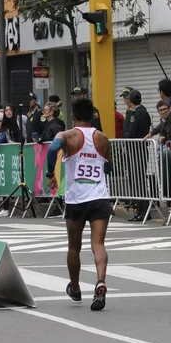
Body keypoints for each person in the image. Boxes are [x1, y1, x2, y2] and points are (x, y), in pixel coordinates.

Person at [46, 98, 113, 311]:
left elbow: (52, 149)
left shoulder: (67, 135)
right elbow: (108, 168)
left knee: (74, 247)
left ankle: (75, 288)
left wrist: (50, 173)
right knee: (98, 244)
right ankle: (100, 280)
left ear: (73, 115)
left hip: (76, 199)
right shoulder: (102, 138)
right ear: (92, 115)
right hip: (99, 197)